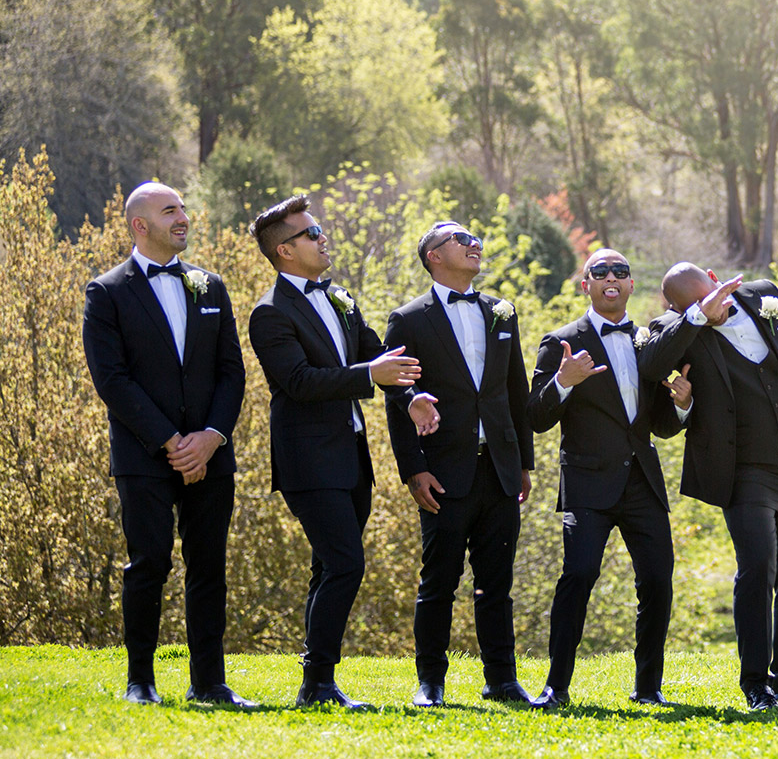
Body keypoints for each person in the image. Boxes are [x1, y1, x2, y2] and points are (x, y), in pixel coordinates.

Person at [638, 257, 778, 711]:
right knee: (758, 568)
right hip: (743, 472)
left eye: (710, 297)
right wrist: (696, 318)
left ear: (716, 280)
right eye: (695, 306)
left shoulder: (764, 297)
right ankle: (756, 684)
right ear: (679, 309)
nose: (712, 308)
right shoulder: (675, 329)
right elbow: (650, 365)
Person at [80, 182, 252, 707]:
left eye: (182, 208)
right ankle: (141, 681)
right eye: (169, 210)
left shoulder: (210, 286)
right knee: (149, 563)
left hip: (211, 455)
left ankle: (210, 683)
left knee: (209, 567)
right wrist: (171, 442)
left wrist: (211, 438)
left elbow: (232, 372)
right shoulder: (106, 291)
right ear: (140, 225)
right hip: (144, 455)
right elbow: (112, 380)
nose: (183, 218)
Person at [246, 194, 421, 709]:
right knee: (346, 564)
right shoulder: (269, 313)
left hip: (351, 457)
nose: (323, 238)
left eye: (319, 228)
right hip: (307, 461)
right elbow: (300, 382)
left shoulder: (340, 297)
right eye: (311, 233)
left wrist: (410, 398)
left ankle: (315, 684)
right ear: (284, 250)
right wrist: (370, 375)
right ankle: (319, 680)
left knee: (327, 567)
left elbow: (376, 355)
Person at [526, 246, 693, 710]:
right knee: (578, 576)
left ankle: (648, 688)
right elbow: (536, 416)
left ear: (632, 284)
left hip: (643, 482)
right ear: (587, 285)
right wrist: (563, 381)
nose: (611, 277)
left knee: (657, 581)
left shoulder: (649, 341)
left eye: (620, 271)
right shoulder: (560, 341)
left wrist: (682, 404)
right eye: (600, 272)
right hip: (587, 485)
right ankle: (556, 687)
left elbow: (661, 425)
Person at [381, 221, 534, 707]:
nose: (474, 244)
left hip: (500, 468)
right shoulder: (408, 319)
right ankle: (431, 683)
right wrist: (413, 469)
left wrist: (523, 462)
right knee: (439, 583)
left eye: (475, 239)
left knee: (497, 585)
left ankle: (502, 680)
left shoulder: (502, 312)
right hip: (443, 472)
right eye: (461, 240)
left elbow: (515, 390)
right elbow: (397, 398)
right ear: (433, 256)